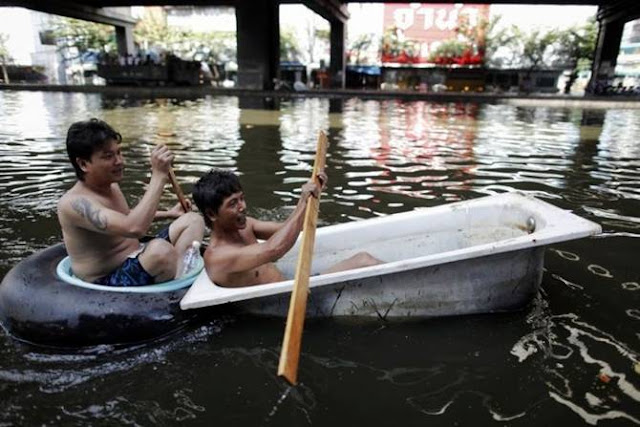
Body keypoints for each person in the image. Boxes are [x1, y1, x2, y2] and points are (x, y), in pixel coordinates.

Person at [57, 118, 205, 286]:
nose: (119, 161)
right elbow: (134, 228)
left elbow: (125, 217)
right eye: (108, 156)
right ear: (83, 164)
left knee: (193, 220)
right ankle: (176, 279)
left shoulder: (110, 185)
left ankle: (178, 277)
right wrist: (158, 176)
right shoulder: (75, 204)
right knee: (161, 251)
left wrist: (170, 214)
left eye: (119, 153)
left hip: (136, 255)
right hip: (108, 278)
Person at [192, 169, 382, 287]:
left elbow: (289, 230)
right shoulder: (217, 257)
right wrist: (302, 203)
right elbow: (273, 249)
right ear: (211, 214)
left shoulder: (245, 225)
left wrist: (314, 194)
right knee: (365, 261)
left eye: (242, 198)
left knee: (365, 258)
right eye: (233, 203)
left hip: (292, 287)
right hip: (286, 303)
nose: (242, 206)